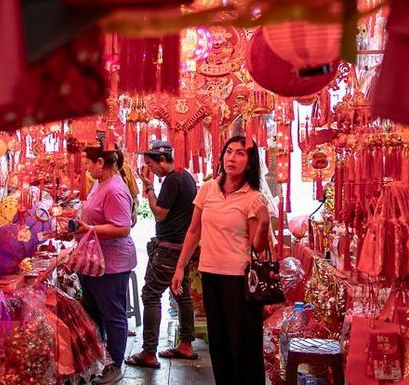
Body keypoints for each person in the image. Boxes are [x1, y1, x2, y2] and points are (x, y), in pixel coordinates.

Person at [170, 136, 270, 385]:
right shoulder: (207, 189)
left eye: (240, 154)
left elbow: (258, 247)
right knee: (219, 343)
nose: (232, 158)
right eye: (228, 151)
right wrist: (180, 267)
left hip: (240, 279)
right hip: (211, 275)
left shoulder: (252, 197)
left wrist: (265, 223)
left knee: (244, 345)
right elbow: (194, 231)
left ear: (250, 163)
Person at [125, 140, 198, 369]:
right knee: (182, 293)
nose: (151, 170)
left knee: (151, 294)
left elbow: (159, 214)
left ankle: (148, 352)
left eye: (151, 164)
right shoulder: (185, 176)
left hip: (167, 250)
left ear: (163, 160)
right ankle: (186, 344)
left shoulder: (171, 181)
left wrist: (148, 189)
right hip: (181, 248)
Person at [73, 146, 137, 385]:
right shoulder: (101, 184)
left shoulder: (115, 189)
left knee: (113, 315)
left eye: (89, 163)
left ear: (101, 162)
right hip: (94, 262)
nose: (87, 168)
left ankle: (115, 365)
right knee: (93, 314)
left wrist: (88, 230)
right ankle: (99, 359)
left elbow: (122, 227)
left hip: (112, 265)